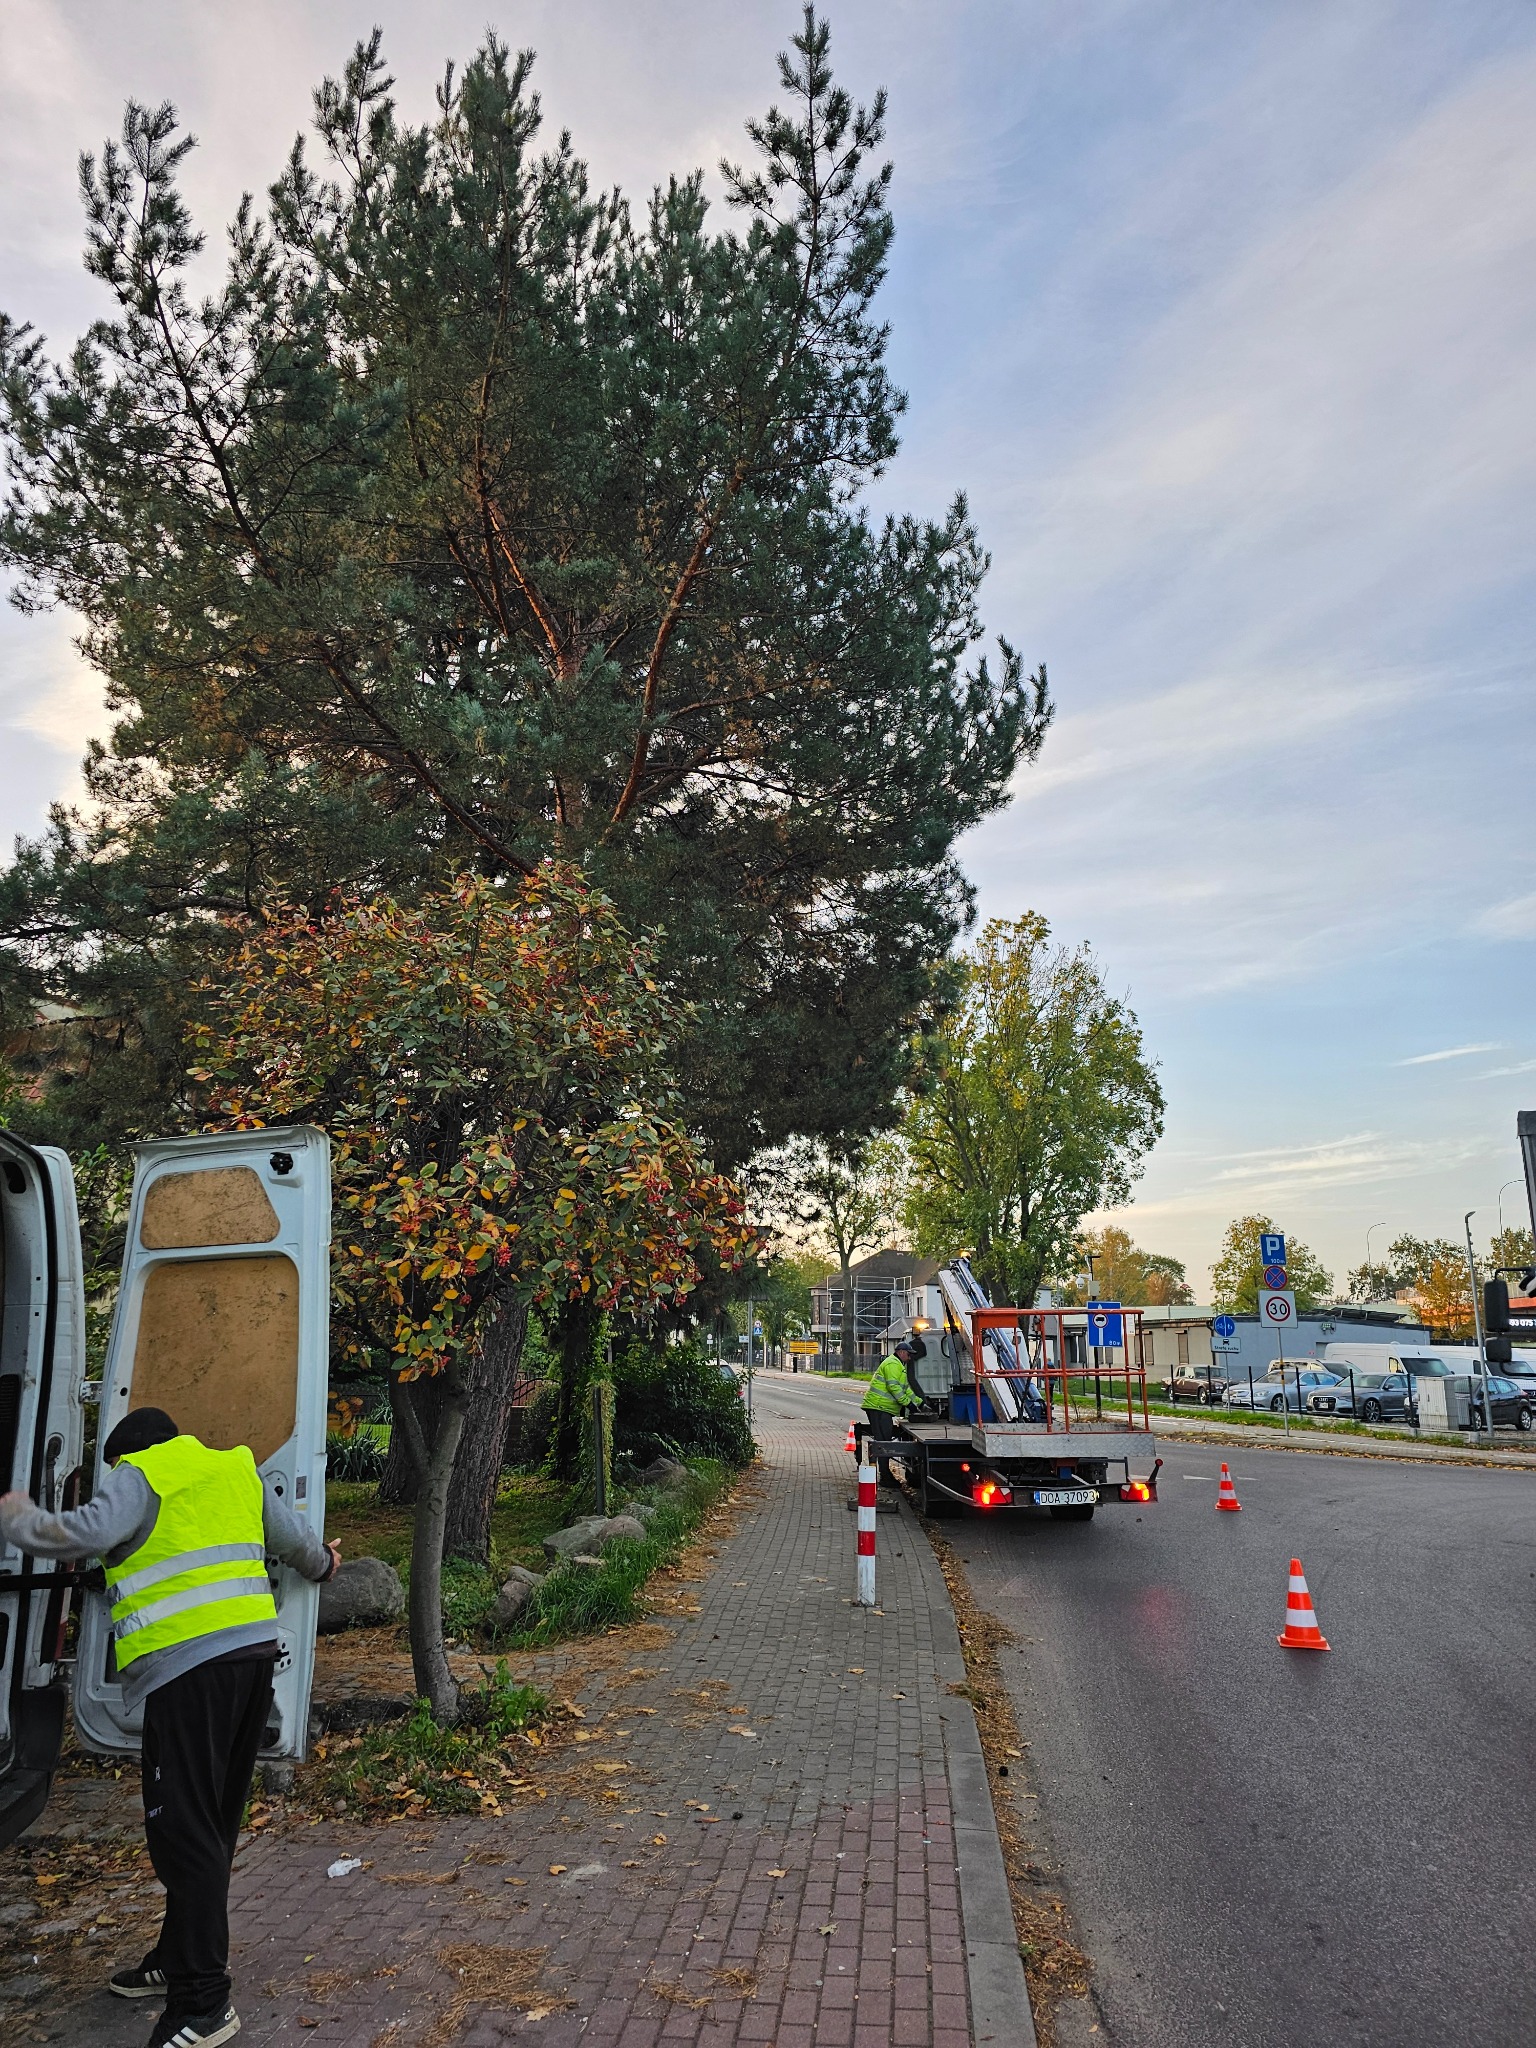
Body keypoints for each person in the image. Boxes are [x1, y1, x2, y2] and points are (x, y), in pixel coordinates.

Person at [0, 1407, 340, 2048]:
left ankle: (203, 2004)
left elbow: (80, 1535)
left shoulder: (137, 1472)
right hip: (252, 1663)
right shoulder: (234, 1468)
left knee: (182, 1831)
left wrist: (13, 1513)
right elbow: (297, 1544)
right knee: (210, 1822)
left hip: (189, 1671)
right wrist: (324, 1565)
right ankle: (176, 1956)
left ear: (122, 1455)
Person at [861, 1339, 924, 1485]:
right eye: (909, 1355)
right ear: (901, 1352)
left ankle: (886, 1475)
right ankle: (885, 1477)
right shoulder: (892, 1364)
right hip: (878, 1407)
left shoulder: (899, 1366)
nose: (910, 1358)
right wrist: (910, 1405)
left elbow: (906, 1388)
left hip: (882, 1408)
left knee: (885, 1441)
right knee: (884, 1443)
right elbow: (894, 1389)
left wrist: (920, 1402)